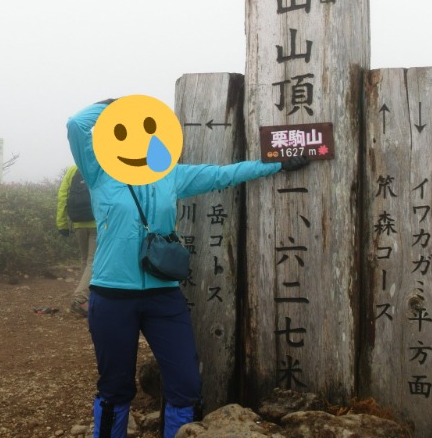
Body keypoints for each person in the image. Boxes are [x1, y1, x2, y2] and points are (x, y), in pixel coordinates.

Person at [67, 98, 309, 438]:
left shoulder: (168, 174)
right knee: (115, 385)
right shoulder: (99, 173)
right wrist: (115, 105)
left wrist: (276, 165)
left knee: (185, 382)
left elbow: (224, 174)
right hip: (111, 296)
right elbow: (76, 124)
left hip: (163, 296)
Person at [56, 164, 97, 317]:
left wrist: (62, 223)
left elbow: (62, 196)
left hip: (78, 223)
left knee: (85, 260)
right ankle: (80, 299)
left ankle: (85, 299)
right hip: (97, 222)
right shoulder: (100, 167)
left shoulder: (73, 169)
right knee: (93, 261)